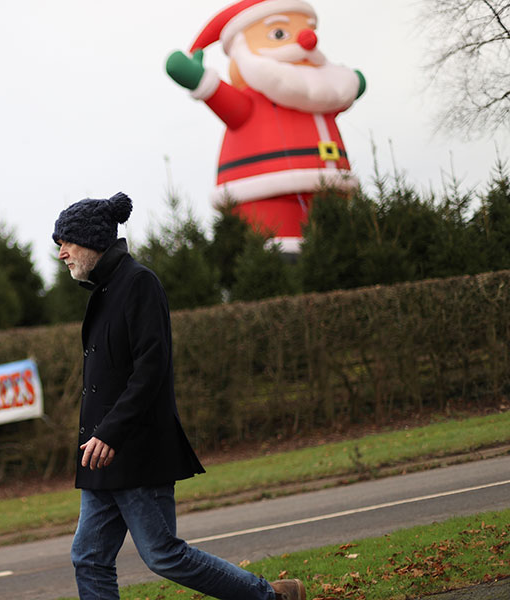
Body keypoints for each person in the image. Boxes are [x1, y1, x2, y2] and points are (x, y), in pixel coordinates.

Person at [52, 192, 305, 600]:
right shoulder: (101, 293)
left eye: (66, 241)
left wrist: (111, 434)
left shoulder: (139, 284)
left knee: (163, 555)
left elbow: (151, 370)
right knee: (89, 557)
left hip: (135, 451)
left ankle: (271, 597)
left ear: (94, 240)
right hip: (102, 456)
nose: (61, 253)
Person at [166, 0, 366, 254]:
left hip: (334, 189)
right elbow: (225, 102)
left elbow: (339, 92)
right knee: (281, 248)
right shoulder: (252, 102)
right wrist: (198, 79)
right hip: (264, 193)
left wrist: (349, 86)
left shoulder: (321, 93)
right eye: (280, 34)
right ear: (241, 49)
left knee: (340, 249)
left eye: (308, 30)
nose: (306, 41)